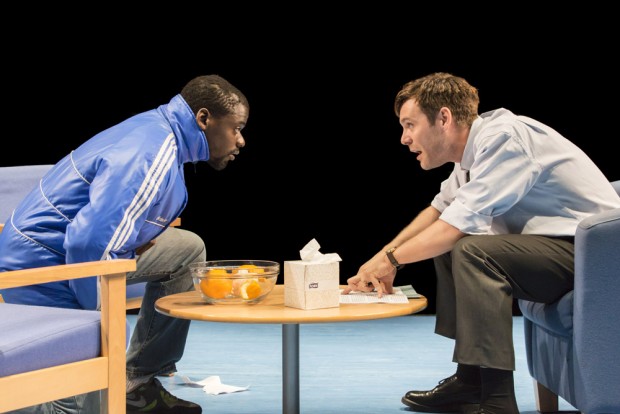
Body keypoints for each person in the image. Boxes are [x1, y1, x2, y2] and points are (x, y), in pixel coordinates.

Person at [342, 72, 620, 414]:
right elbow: (438, 212)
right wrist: (380, 258)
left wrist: (391, 262)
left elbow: (452, 227)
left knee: (472, 250)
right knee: (451, 243)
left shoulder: (506, 139)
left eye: (409, 124)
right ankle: (471, 380)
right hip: (566, 253)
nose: (404, 138)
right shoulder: (471, 156)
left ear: (443, 117)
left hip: (601, 260)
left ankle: (498, 401)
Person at [0, 74, 250, 414]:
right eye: (236, 128)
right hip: (41, 263)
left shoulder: (165, 135)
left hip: (69, 252)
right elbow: (88, 245)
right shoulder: (151, 151)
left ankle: (136, 383)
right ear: (204, 119)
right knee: (80, 402)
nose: (240, 140)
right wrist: (103, 323)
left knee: (186, 250)